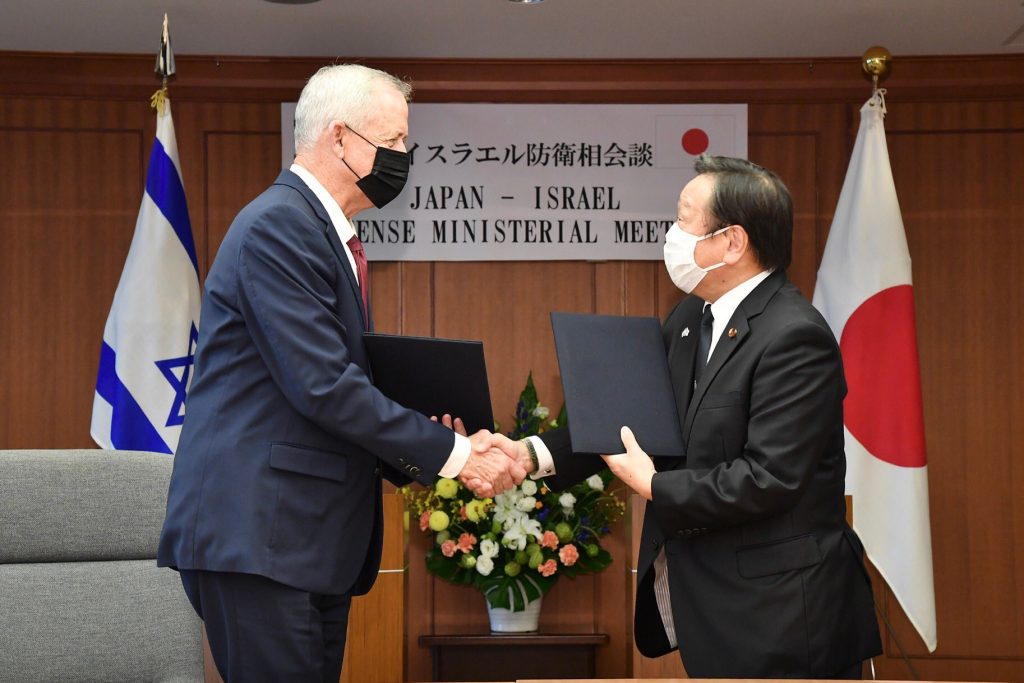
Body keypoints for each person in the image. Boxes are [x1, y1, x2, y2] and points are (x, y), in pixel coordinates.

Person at [157, 64, 523, 683]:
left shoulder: (324, 233)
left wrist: (431, 439)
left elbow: (327, 389)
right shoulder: (280, 227)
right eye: (395, 141)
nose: (404, 157)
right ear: (340, 138)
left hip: (301, 543)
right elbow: (324, 386)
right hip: (263, 538)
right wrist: (459, 456)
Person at [500, 155, 882, 679]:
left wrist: (656, 486)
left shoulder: (795, 337)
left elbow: (770, 477)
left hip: (785, 620)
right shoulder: (690, 317)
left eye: (683, 220)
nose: (670, 235)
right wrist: (527, 455)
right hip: (718, 611)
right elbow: (632, 419)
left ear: (732, 242)